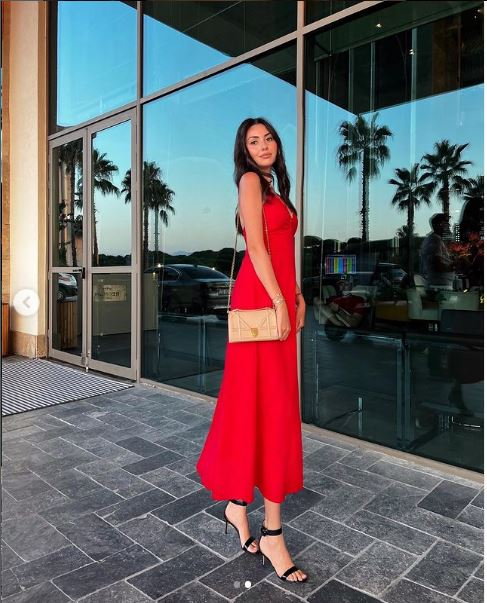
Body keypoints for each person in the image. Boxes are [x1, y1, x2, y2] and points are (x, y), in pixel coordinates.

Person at [196, 117, 308, 583]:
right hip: (261, 301)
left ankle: (239, 506)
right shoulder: (249, 181)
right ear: (244, 151)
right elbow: (258, 249)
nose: (263, 145)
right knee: (266, 409)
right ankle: (271, 532)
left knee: (269, 409)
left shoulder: (274, 189)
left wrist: (297, 294)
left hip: (279, 297)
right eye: (253, 141)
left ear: (277, 144)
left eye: (268, 138)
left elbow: (282, 253)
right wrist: (281, 301)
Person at [420, 213, 455, 290]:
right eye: (446, 223)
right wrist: (454, 267)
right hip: (439, 287)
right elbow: (438, 265)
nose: (448, 226)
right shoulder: (435, 240)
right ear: (438, 225)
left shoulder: (433, 239)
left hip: (439, 285)